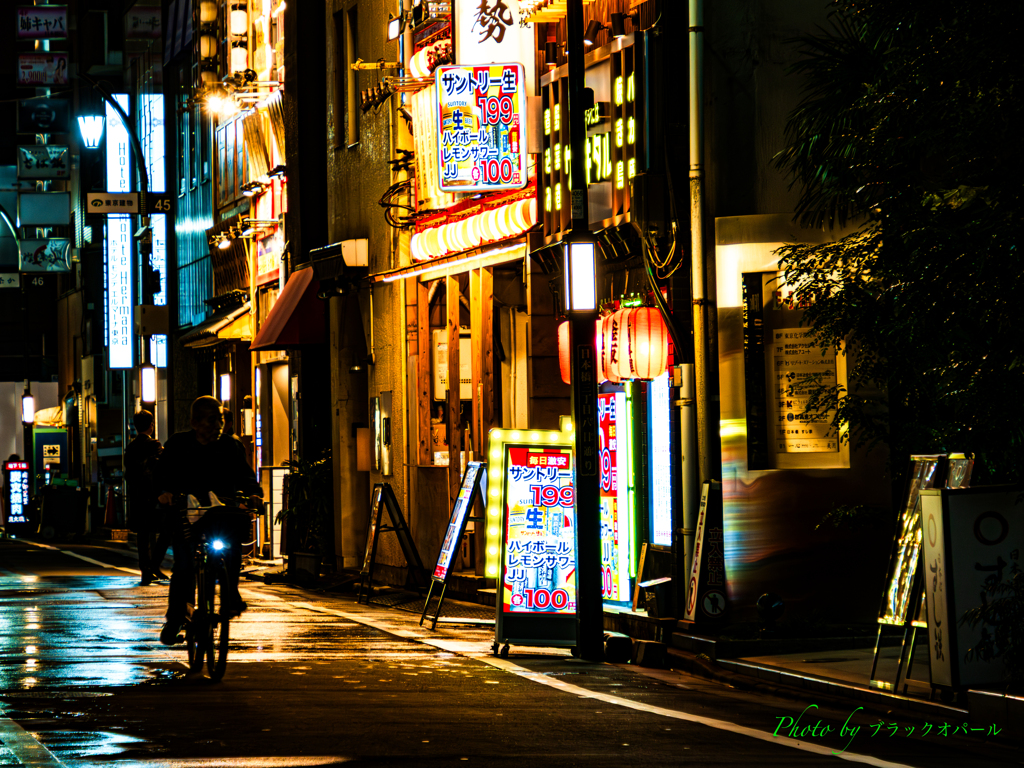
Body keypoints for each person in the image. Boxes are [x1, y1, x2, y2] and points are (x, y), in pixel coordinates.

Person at [157, 396, 262, 646]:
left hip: (220, 514)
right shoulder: (178, 445)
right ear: (195, 422)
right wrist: (164, 492)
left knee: (231, 550)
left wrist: (254, 493)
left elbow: (245, 475)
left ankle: (230, 596)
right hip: (187, 515)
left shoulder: (231, 446)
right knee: (183, 566)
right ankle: (175, 618)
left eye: (221, 420)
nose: (217, 426)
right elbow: (162, 474)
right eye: (212, 420)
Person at [123, 410, 168, 585]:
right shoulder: (155, 445)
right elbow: (162, 468)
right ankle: (154, 566)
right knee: (164, 531)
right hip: (154, 496)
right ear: (151, 425)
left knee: (143, 536)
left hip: (137, 496)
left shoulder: (131, 447)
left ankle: (146, 570)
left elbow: (129, 473)